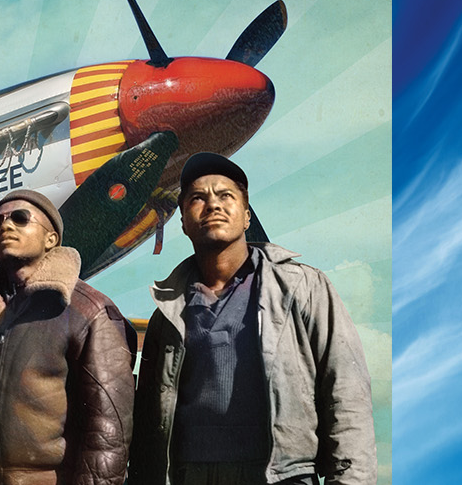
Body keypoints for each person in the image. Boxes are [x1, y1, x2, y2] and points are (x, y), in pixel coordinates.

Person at [127, 153, 376, 485]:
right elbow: (148, 422)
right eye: (198, 198)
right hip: (190, 476)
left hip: (281, 476)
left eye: (225, 195)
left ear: (246, 216)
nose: (212, 205)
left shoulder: (302, 286)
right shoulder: (167, 312)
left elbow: (346, 392)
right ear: (183, 222)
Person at [0, 189, 136, 485]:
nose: (5, 226)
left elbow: (109, 432)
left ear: (51, 239)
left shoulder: (89, 311)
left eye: (20, 218)